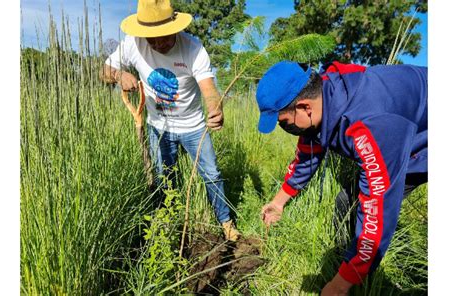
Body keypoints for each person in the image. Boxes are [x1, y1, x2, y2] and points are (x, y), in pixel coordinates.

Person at [257, 61, 427, 295]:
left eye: (284, 123)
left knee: (367, 209)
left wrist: (339, 286)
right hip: (400, 123)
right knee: (346, 202)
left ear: (305, 107)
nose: (283, 128)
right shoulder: (325, 94)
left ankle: (362, 273)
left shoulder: (369, 124)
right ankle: (353, 264)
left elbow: (377, 207)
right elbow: (308, 151)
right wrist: (278, 202)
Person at [101, 0, 239, 241]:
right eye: (151, 38)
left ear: (174, 28)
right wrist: (119, 74)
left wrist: (215, 108)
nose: (158, 43)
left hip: (194, 126)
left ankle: (226, 223)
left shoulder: (193, 48)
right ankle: (171, 225)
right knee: (165, 177)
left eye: (163, 36)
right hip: (158, 127)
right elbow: (105, 70)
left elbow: (208, 88)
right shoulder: (134, 43)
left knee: (212, 173)